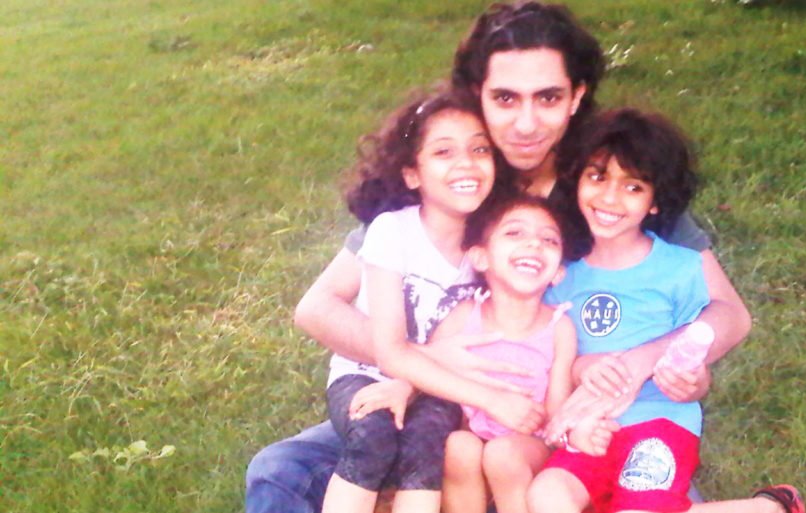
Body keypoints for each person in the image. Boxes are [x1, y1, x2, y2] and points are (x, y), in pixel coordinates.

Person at [246, 3, 751, 512]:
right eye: (505, 98)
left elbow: (728, 313)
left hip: (573, 424)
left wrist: (637, 364)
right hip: (438, 407)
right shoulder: (455, 177)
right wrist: (421, 363)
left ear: (576, 96)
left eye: (548, 98)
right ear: (477, 95)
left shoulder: (609, 180)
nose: (527, 123)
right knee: (280, 472)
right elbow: (319, 308)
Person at [528, 108, 804, 513]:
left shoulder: (680, 269)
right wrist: (585, 369)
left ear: (657, 202)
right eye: (598, 176)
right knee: (545, 496)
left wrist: (693, 381)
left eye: (633, 187)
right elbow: (561, 359)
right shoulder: (562, 277)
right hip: (591, 428)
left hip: (658, 425)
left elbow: (697, 355)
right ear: (577, 181)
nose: (609, 198)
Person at [317, 88, 518, 513]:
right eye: (444, 152)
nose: (466, 163)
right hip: (364, 373)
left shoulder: (489, 248)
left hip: (440, 380)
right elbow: (390, 353)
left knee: (428, 440)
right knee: (374, 432)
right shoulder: (393, 232)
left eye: (480, 149)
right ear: (412, 174)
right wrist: (493, 401)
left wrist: (416, 386)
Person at [429, 195, 581, 513]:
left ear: (558, 274)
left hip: (531, 443)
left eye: (549, 239)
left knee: (502, 454)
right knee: (458, 445)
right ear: (480, 258)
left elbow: (556, 405)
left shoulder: (559, 327)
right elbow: (428, 364)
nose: (534, 244)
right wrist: (399, 386)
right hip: (472, 432)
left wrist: (551, 427)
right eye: (515, 233)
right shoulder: (464, 315)